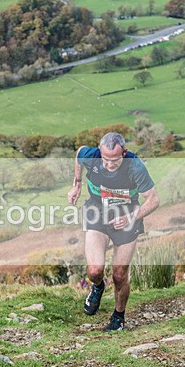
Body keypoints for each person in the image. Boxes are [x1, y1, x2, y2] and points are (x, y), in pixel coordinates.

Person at [67, 132, 160, 332]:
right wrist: (77, 184)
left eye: (115, 160)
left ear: (124, 153)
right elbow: (78, 154)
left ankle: (118, 316)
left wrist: (133, 217)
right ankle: (98, 287)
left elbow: (154, 199)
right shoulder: (91, 155)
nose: (109, 165)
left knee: (119, 274)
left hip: (126, 219)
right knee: (94, 271)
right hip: (97, 215)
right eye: (105, 159)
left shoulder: (135, 167)